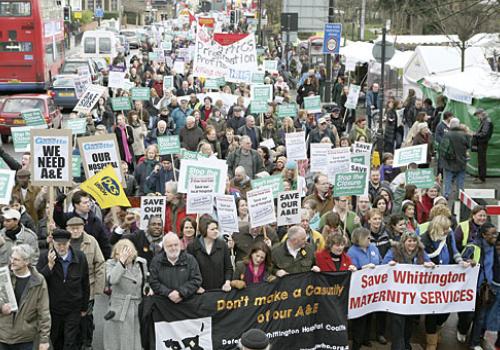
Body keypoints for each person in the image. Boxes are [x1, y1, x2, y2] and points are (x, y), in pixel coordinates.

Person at [420, 215, 469, 350]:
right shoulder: (425, 239)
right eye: (445, 228)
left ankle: (437, 329)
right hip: (430, 282)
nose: (448, 231)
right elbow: (422, 256)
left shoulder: (447, 237)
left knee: (445, 309)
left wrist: (460, 261)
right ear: (438, 228)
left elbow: (454, 251)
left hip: (446, 280)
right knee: (432, 312)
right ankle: (431, 341)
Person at [37, 229, 90, 350]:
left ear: (69, 242)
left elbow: (85, 283)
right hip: (53, 308)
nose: (61, 248)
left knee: (70, 342)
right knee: (56, 340)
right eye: (58, 244)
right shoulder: (44, 257)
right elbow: (39, 282)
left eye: (64, 244)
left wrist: (84, 307)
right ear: (53, 243)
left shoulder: (80, 257)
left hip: (73, 308)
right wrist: (49, 266)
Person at [383, 231, 434, 350]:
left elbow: (430, 264)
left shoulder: (421, 253)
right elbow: (383, 265)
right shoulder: (394, 251)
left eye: (414, 241)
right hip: (396, 297)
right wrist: (389, 265)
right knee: (397, 324)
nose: (412, 243)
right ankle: (398, 347)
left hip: (413, 297)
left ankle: (406, 345)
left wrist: (429, 265)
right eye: (409, 241)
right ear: (403, 241)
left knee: (409, 324)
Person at [0, 245, 51, 350]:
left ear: (26, 262)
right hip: (3, 335)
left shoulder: (38, 281)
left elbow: (43, 311)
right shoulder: (4, 276)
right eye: (11, 258)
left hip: (25, 338)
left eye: (16, 259)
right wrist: (1, 307)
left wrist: (44, 340)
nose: (12, 262)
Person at [103, 239, 150, 350]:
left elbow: (145, 280)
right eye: (122, 253)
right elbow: (112, 279)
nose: (126, 255)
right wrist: (121, 263)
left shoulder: (141, 263)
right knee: (116, 342)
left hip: (136, 307)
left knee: (134, 342)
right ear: (116, 253)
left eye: (128, 252)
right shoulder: (110, 264)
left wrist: (147, 288)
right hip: (118, 308)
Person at [66, 217, 105, 350]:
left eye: (78, 227)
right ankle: (74, 342)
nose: (75, 230)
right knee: (72, 317)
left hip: (88, 286)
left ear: (83, 228)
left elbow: (100, 263)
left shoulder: (91, 241)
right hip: (69, 288)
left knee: (86, 317)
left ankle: (87, 342)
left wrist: (98, 289)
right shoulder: (64, 242)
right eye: (72, 228)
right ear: (67, 229)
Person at [347, 228, 382, 350]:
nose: (370, 239)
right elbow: (353, 270)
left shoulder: (373, 248)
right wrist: (364, 268)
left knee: (369, 316)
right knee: (359, 319)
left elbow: (381, 262)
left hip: (373, 289)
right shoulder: (352, 252)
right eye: (367, 237)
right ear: (359, 239)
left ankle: (366, 339)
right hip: (360, 290)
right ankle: (356, 343)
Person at [53, 190, 111, 259]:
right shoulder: (68, 218)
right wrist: (59, 204)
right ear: (76, 205)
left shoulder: (95, 221)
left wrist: (107, 259)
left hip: (90, 257)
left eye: (89, 202)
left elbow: (104, 243)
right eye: (85, 203)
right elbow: (58, 218)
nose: (88, 204)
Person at [150, 233, 202, 302]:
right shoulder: (156, 261)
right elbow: (153, 281)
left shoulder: (190, 259)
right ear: (164, 247)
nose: (174, 248)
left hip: (187, 302)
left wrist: (181, 293)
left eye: (176, 245)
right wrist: (168, 293)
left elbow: (196, 280)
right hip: (163, 303)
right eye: (170, 246)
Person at [187, 218, 233, 292]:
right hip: (200, 292)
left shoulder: (222, 245)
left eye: (216, 229)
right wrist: (195, 286)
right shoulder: (192, 246)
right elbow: (189, 270)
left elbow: (228, 268)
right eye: (212, 229)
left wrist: (227, 283)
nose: (216, 231)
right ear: (204, 230)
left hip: (219, 290)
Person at [441, 118, 470, 199]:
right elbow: (468, 145)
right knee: (460, 179)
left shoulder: (447, 134)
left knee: (448, 179)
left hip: (449, 161)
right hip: (461, 160)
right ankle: (460, 194)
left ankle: (447, 194)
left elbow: (443, 148)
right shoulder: (464, 134)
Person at [471, 108, 493, 184]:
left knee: (482, 161)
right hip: (481, 143)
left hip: (482, 144)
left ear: (481, 114)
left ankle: (482, 178)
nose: (477, 117)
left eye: (477, 115)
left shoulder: (487, 122)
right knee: (481, 161)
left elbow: (484, 134)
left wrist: (474, 134)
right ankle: (481, 177)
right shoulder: (485, 121)